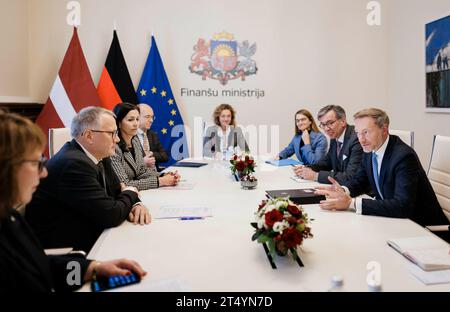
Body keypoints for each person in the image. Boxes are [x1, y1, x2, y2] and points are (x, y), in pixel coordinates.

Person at [0, 113, 147, 292]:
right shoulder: (72, 163)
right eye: (36, 163)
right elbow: (111, 213)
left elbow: (43, 267)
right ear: (6, 167)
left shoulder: (9, 216)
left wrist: (93, 269)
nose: (43, 173)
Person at [26, 107, 151, 253]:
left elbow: (118, 190)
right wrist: (132, 193)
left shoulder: (101, 155)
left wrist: (135, 204)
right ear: (89, 136)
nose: (117, 139)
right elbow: (111, 215)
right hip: (68, 251)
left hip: (92, 231)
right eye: (112, 133)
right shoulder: (74, 164)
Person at [315, 108, 449, 227]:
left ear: (384, 130)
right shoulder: (370, 149)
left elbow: (402, 206)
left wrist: (352, 203)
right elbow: (360, 181)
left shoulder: (404, 156)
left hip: (423, 229)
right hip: (394, 222)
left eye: (366, 132)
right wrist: (343, 191)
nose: (361, 139)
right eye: (358, 133)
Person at [110, 103, 179, 190]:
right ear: (119, 123)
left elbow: (142, 171)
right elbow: (125, 184)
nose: (136, 124)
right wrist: (161, 181)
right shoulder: (113, 148)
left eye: (137, 119)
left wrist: (165, 175)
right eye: (130, 120)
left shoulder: (135, 140)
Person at [294, 105, 363, 185]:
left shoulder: (356, 139)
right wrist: (308, 168)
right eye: (323, 124)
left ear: (343, 121)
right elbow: (327, 162)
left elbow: (350, 176)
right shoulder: (334, 136)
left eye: (330, 123)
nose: (326, 129)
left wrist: (316, 176)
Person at [137, 103, 169, 171]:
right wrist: (143, 161)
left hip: (155, 173)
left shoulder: (152, 134)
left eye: (152, 117)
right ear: (137, 117)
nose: (151, 120)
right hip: (139, 176)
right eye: (147, 116)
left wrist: (152, 154)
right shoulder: (130, 135)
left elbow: (165, 156)